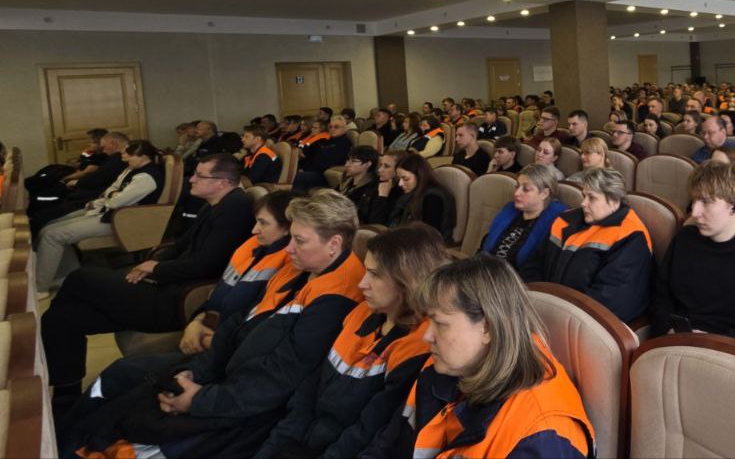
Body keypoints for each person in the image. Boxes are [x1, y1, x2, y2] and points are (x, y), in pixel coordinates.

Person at [71, 190, 368, 458]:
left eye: (299, 241)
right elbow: (240, 322)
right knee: (119, 404)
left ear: (334, 244)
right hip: (222, 376)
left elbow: (277, 379)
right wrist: (196, 372)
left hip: (242, 406)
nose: (288, 249)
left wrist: (199, 400)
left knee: (124, 428)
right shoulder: (302, 267)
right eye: (290, 237)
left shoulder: (336, 299)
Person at [43, 154, 255, 419]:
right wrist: (151, 265)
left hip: (179, 298)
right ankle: (65, 399)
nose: (191, 179)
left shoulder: (236, 208)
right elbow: (180, 246)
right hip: (167, 283)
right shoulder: (214, 203)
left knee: (80, 278)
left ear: (222, 182)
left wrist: (156, 269)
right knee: (61, 318)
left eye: (200, 176)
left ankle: (62, 397)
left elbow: (206, 265)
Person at [360, 254, 594, 458]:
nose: (427, 336)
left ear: (488, 328)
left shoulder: (543, 436)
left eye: (440, 323)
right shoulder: (446, 363)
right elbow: (386, 445)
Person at [255, 224, 448, 459]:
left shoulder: (419, 347)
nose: (362, 283)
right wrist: (275, 446)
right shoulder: (361, 313)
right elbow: (309, 390)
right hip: (299, 441)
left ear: (407, 282)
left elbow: (365, 433)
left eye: (375, 274)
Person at [650, 162, 735, 339]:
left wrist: (720, 340)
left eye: (706, 202)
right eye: (694, 201)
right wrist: (668, 328)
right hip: (677, 339)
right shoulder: (684, 239)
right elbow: (661, 296)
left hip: (733, 348)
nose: (695, 212)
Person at [519, 169, 652, 322]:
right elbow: (533, 265)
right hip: (542, 310)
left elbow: (611, 300)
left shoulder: (631, 236)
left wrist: (556, 314)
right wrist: (534, 301)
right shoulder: (565, 220)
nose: (583, 203)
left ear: (615, 201)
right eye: (584, 196)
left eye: (592, 198)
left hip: (581, 323)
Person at [35, 139, 166, 294]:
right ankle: (66, 277)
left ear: (143, 157)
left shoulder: (147, 177)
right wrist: (111, 196)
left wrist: (112, 196)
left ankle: (40, 288)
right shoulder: (131, 169)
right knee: (47, 229)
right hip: (110, 213)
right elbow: (111, 190)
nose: (125, 158)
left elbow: (116, 202)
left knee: (52, 235)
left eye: (130, 155)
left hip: (124, 221)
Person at [28, 131, 130, 235]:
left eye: (104, 147)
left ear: (114, 144)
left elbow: (96, 178)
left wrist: (76, 182)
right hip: (87, 194)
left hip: (90, 198)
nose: (103, 151)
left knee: (42, 216)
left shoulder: (118, 160)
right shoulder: (112, 158)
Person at [481, 165, 568, 270]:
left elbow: (537, 268)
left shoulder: (554, 222)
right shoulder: (509, 209)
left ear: (544, 194)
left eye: (526, 189)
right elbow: (486, 244)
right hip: (486, 269)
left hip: (515, 278)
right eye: (517, 186)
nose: (517, 193)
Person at [370, 153, 455, 237]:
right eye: (399, 179)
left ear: (420, 176)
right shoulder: (410, 194)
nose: (400, 183)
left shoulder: (432, 198)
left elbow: (430, 236)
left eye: (405, 179)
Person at [293, 116, 354, 192]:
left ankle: (297, 198)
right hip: (317, 170)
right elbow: (314, 157)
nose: (332, 129)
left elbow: (332, 162)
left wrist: (308, 169)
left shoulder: (344, 143)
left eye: (336, 127)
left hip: (327, 173)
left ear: (344, 129)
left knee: (302, 177)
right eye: (330, 127)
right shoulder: (327, 141)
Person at [338, 145, 381, 222]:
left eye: (353, 161)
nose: (347, 165)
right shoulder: (347, 181)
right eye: (348, 160)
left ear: (368, 164)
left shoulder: (371, 188)